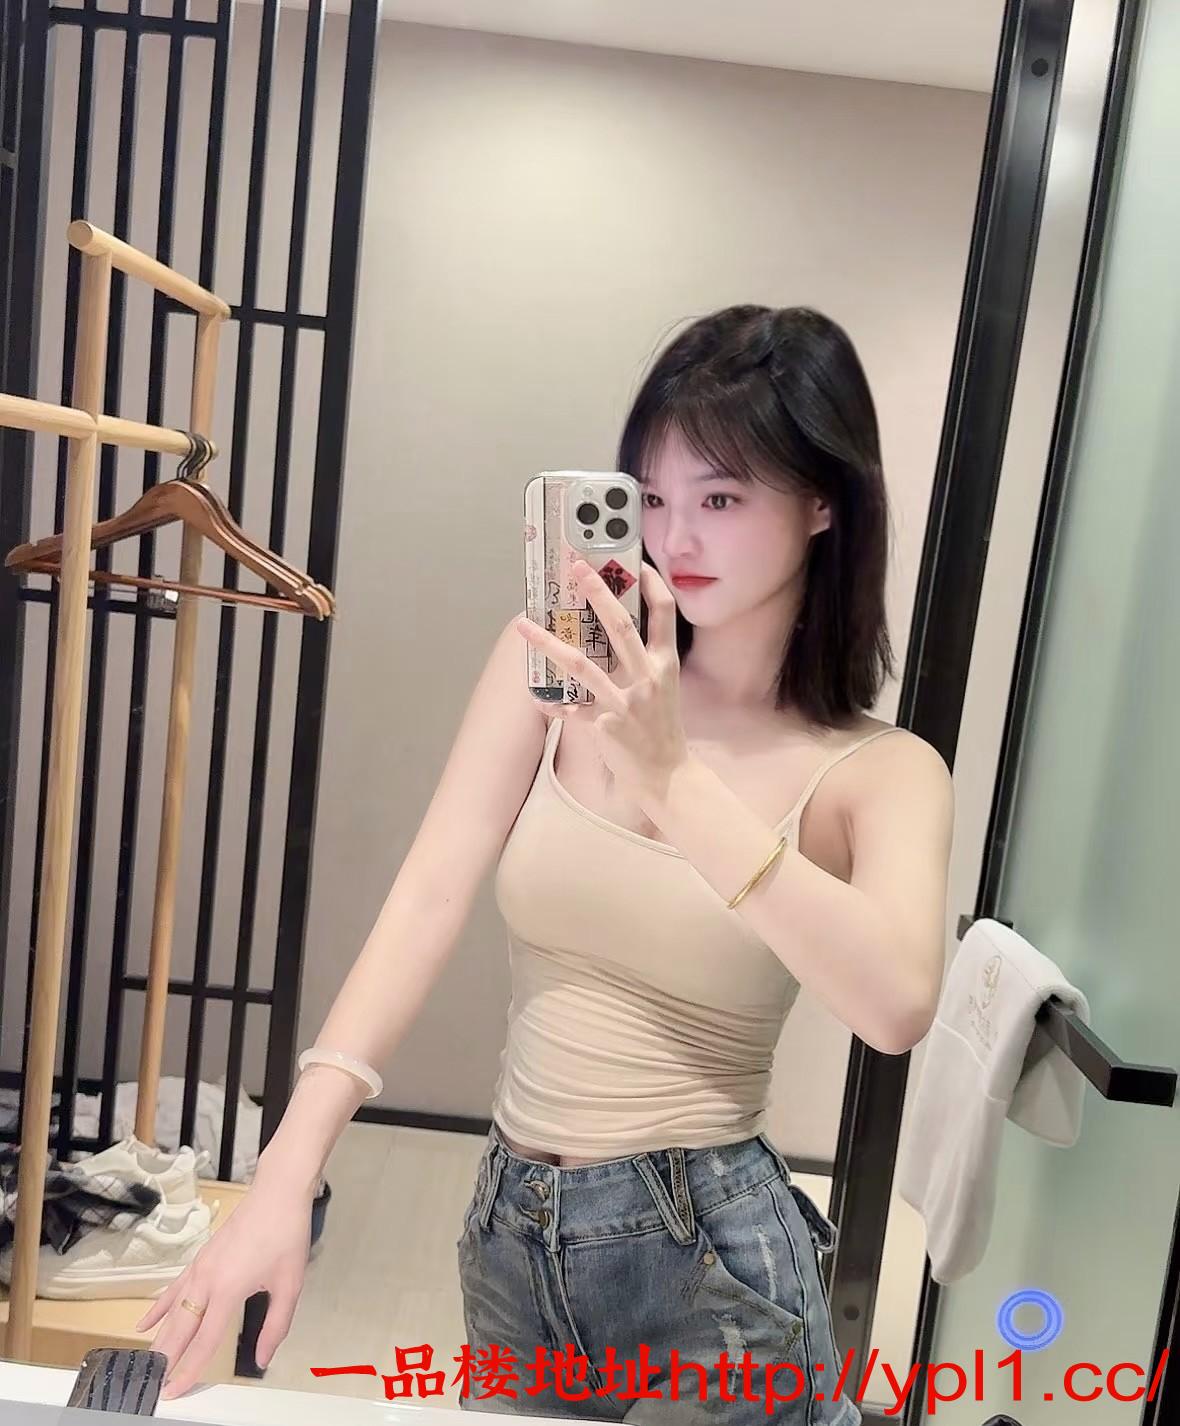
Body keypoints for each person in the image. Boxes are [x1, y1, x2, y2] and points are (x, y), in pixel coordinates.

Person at [141, 305, 954, 1421]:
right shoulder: (556, 670)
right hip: (513, 1235)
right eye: (652, 497)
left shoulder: (880, 770)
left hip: (714, 1258)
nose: (675, 538)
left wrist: (672, 779)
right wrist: (286, 1171)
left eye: (721, 499)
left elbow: (896, 1007)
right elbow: (427, 896)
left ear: (825, 503)